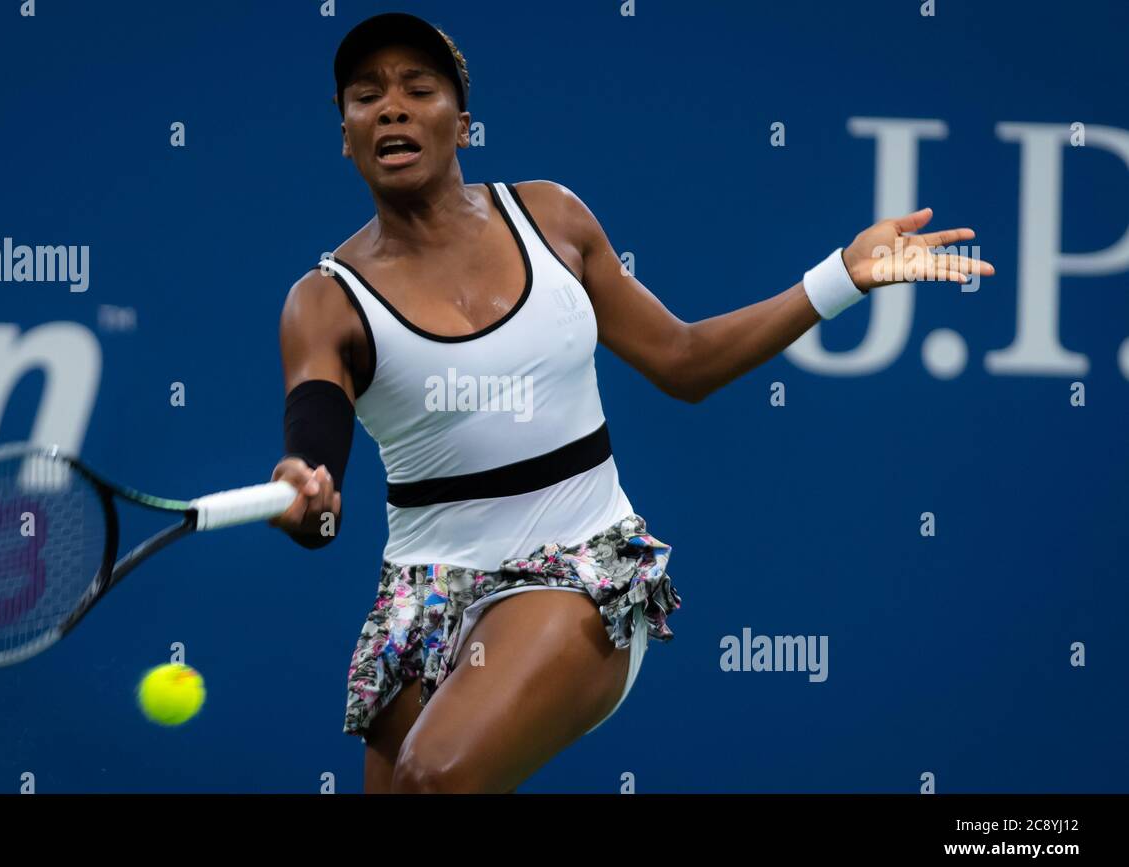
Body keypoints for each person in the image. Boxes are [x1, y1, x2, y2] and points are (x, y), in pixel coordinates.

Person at [267, 12, 994, 794]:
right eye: (366, 96)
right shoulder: (323, 301)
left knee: (433, 778)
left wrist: (842, 276)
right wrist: (306, 497)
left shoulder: (553, 218)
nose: (393, 107)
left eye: (419, 88)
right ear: (346, 134)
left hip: (578, 568)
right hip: (421, 603)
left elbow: (684, 362)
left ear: (464, 126)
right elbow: (316, 474)